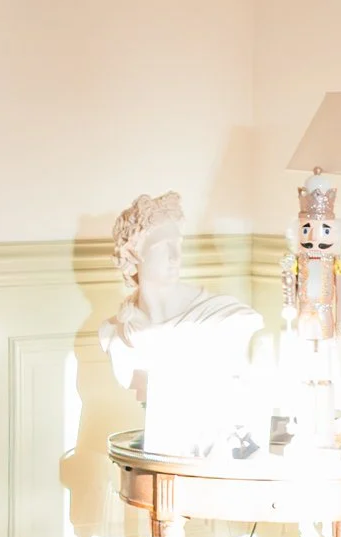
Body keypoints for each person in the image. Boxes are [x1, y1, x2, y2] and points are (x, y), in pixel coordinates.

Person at [99, 192, 266, 457]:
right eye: (163, 246)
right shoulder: (115, 333)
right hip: (156, 456)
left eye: (178, 245)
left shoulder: (223, 319)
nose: (176, 256)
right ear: (134, 253)